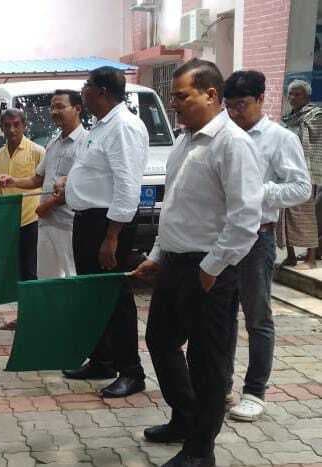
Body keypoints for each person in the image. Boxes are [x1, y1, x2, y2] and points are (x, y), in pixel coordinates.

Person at [132, 59, 263, 467]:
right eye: (172, 96)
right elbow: (174, 209)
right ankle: (185, 417)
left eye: (181, 96)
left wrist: (213, 267)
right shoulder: (185, 141)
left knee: (208, 363)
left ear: (211, 94)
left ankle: (201, 449)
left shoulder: (232, 143)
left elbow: (246, 218)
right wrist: (156, 256)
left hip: (211, 271)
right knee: (160, 341)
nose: (174, 105)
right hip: (175, 265)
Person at [223, 71, 311, 422]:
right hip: (222, 237)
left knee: (257, 316)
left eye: (241, 105)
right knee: (222, 314)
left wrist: (258, 191)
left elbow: (300, 188)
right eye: (229, 106)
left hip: (258, 236)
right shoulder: (226, 134)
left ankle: (255, 391)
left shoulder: (279, 138)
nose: (235, 113)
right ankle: (221, 384)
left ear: (261, 99)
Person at [56, 66, 148, 398]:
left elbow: (127, 186)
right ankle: (103, 359)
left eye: (87, 86)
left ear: (103, 91)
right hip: (88, 220)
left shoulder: (123, 127)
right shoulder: (101, 126)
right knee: (93, 297)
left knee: (114, 298)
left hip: (109, 224)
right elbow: (98, 174)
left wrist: (112, 237)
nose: (83, 92)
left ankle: (131, 371)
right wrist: (71, 183)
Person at [0, 90, 85, 331]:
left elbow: (80, 185)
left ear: (77, 108)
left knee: (71, 277)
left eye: (61, 107)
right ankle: (49, 326)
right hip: (46, 224)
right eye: (53, 107)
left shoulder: (86, 143)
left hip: (68, 225)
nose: (55, 112)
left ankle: (74, 326)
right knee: (46, 278)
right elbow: (38, 179)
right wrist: (14, 182)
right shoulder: (54, 143)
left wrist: (47, 205)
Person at [0, 108, 44, 290]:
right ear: (2, 129)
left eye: (16, 125)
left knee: (31, 271)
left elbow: (43, 184)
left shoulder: (37, 152)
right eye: (7, 126)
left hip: (32, 221)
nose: (12, 130)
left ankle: (32, 315)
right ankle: (23, 313)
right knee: (14, 272)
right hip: (8, 223)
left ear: (24, 126)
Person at [280, 79, 322, 269]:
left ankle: (311, 259)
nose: (293, 97)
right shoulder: (288, 118)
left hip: (308, 172)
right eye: (291, 94)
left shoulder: (316, 116)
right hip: (287, 172)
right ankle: (290, 256)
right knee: (286, 215)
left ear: (307, 97)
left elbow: (316, 145)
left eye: (297, 94)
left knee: (307, 215)